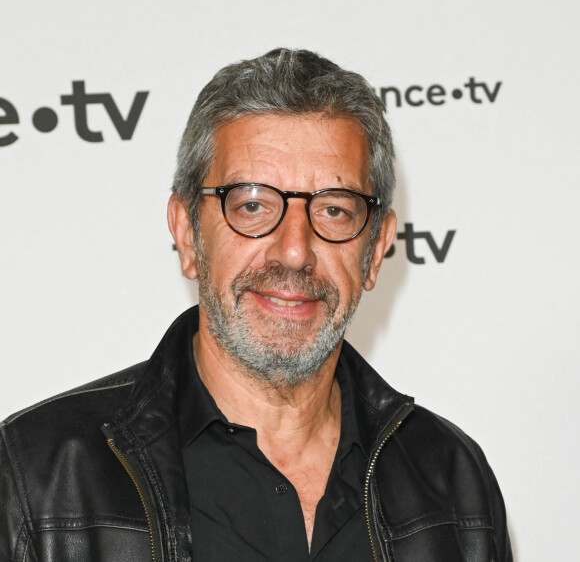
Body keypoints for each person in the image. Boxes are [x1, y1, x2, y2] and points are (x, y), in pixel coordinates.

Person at [0, 48, 512, 561]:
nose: (294, 250)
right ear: (187, 234)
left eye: (334, 210)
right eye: (251, 205)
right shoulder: (34, 477)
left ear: (375, 250)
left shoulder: (453, 482)